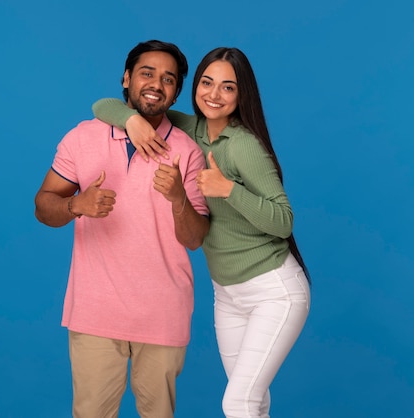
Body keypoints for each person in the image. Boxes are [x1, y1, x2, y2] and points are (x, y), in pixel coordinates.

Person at [92, 47, 311, 418]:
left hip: (274, 291)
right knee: (254, 403)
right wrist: (132, 121)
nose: (214, 94)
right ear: (194, 87)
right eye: (207, 83)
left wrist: (229, 190)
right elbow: (103, 105)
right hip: (227, 294)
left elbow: (283, 220)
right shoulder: (190, 129)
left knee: (238, 403)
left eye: (228, 87)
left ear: (242, 95)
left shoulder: (244, 146)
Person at [34, 40, 210, 418]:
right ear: (126, 78)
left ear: (176, 92)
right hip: (95, 312)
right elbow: (43, 205)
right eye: (147, 73)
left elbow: (195, 239)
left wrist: (179, 197)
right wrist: (74, 205)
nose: (156, 84)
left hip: (163, 314)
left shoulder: (188, 150)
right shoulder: (82, 137)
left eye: (168, 79)